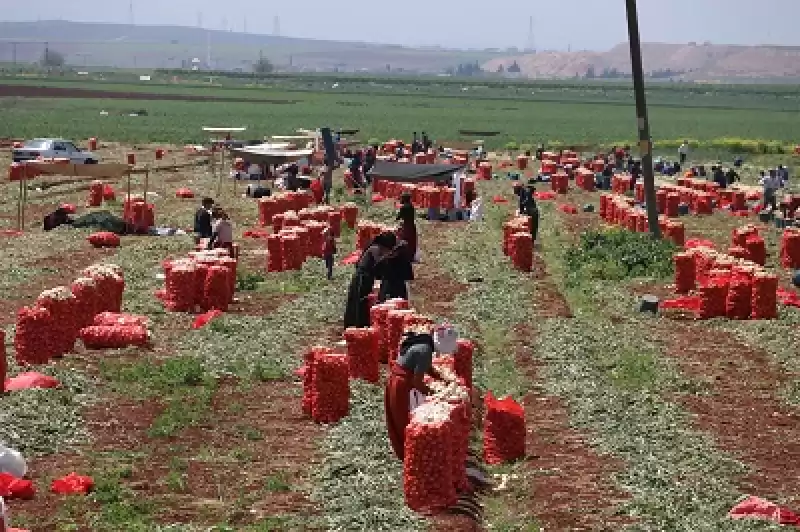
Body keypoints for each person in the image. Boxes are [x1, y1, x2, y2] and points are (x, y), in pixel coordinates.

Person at [384, 323, 457, 460]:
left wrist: (441, 379)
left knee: (399, 417)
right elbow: (417, 382)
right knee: (404, 418)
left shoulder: (424, 340)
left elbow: (426, 368)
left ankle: (409, 451)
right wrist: (432, 392)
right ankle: (412, 454)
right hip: (402, 385)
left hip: (397, 379)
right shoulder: (425, 351)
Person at [343, 232, 397, 328]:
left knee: (362, 299)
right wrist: (390, 256)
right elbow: (379, 261)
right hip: (362, 277)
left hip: (366, 277)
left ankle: (358, 323)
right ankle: (357, 324)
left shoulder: (376, 248)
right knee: (360, 300)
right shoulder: (375, 248)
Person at [396, 192, 418, 260]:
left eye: (401, 198)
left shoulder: (404, 207)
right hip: (412, 226)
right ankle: (411, 256)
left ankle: (405, 255)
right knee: (412, 242)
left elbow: (398, 217)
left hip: (406, 227)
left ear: (404, 199)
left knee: (404, 240)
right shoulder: (411, 206)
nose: (400, 199)